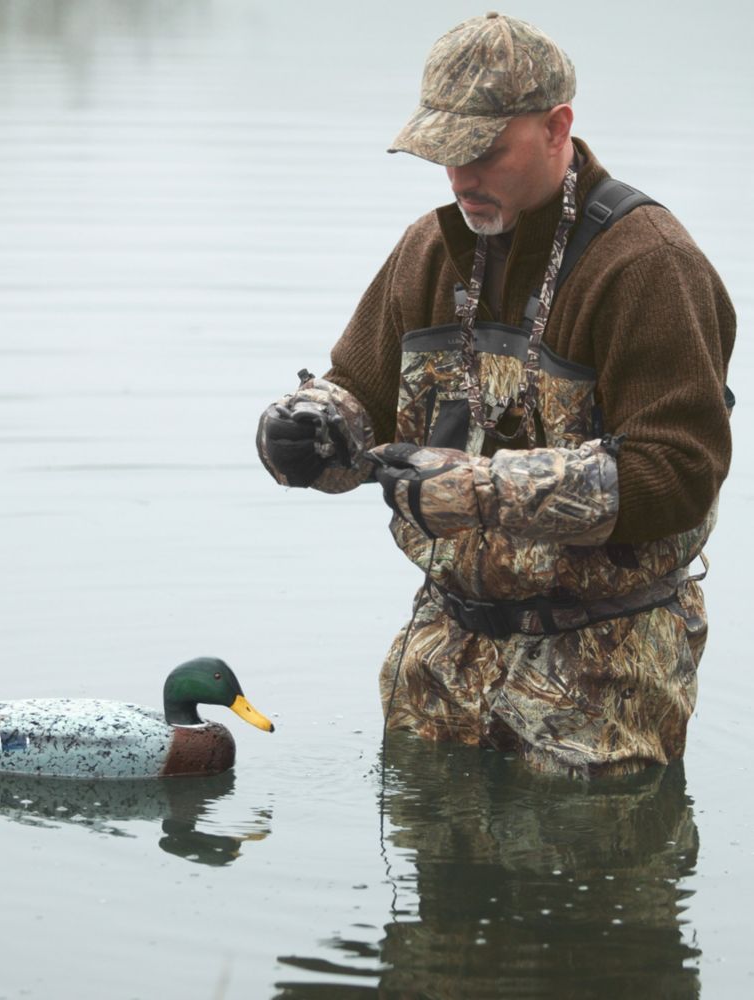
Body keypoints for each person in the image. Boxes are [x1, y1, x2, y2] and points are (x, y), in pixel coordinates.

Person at [256, 13, 735, 777]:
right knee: (434, 891)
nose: (459, 177)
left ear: (557, 128)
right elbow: (360, 394)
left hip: (601, 674)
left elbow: (676, 476)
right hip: (440, 655)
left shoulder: (648, 265)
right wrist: (314, 428)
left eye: (481, 151)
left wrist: (482, 492)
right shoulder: (426, 248)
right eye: (442, 154)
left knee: (593, 886)